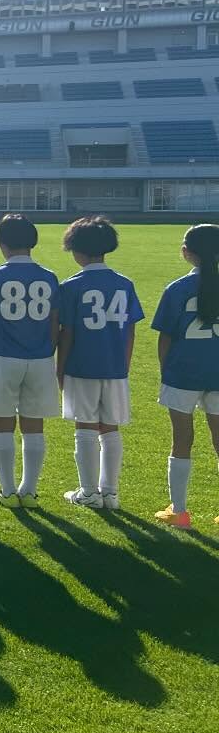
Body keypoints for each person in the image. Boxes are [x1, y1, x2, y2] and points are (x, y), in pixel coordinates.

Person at [0, 214, 61, 507]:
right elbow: (54, 324)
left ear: (0, 242)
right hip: (40, 358)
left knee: (2, 424)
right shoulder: (49, 277)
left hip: (4, 357)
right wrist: (49, 354)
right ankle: (29, 491)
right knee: (34, 426)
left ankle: (8, 491)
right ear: (32, 241)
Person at [56, 216, 143, 510]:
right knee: (111, 427)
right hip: (115, 366)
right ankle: (111, 492)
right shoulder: (124, 284)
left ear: (77, 250)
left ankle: (89, 491)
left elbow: (66, 334)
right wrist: (124, 365)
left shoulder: (71, 286)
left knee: (85, 427)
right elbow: (130, 330)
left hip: (82, 365)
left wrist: (60, 369)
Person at [152, 224, 219, 529]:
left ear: (187, 253)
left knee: (182, 440)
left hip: (182, 373)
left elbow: (165, 337)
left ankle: (179, 512)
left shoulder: (177, 288)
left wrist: (165, 372)